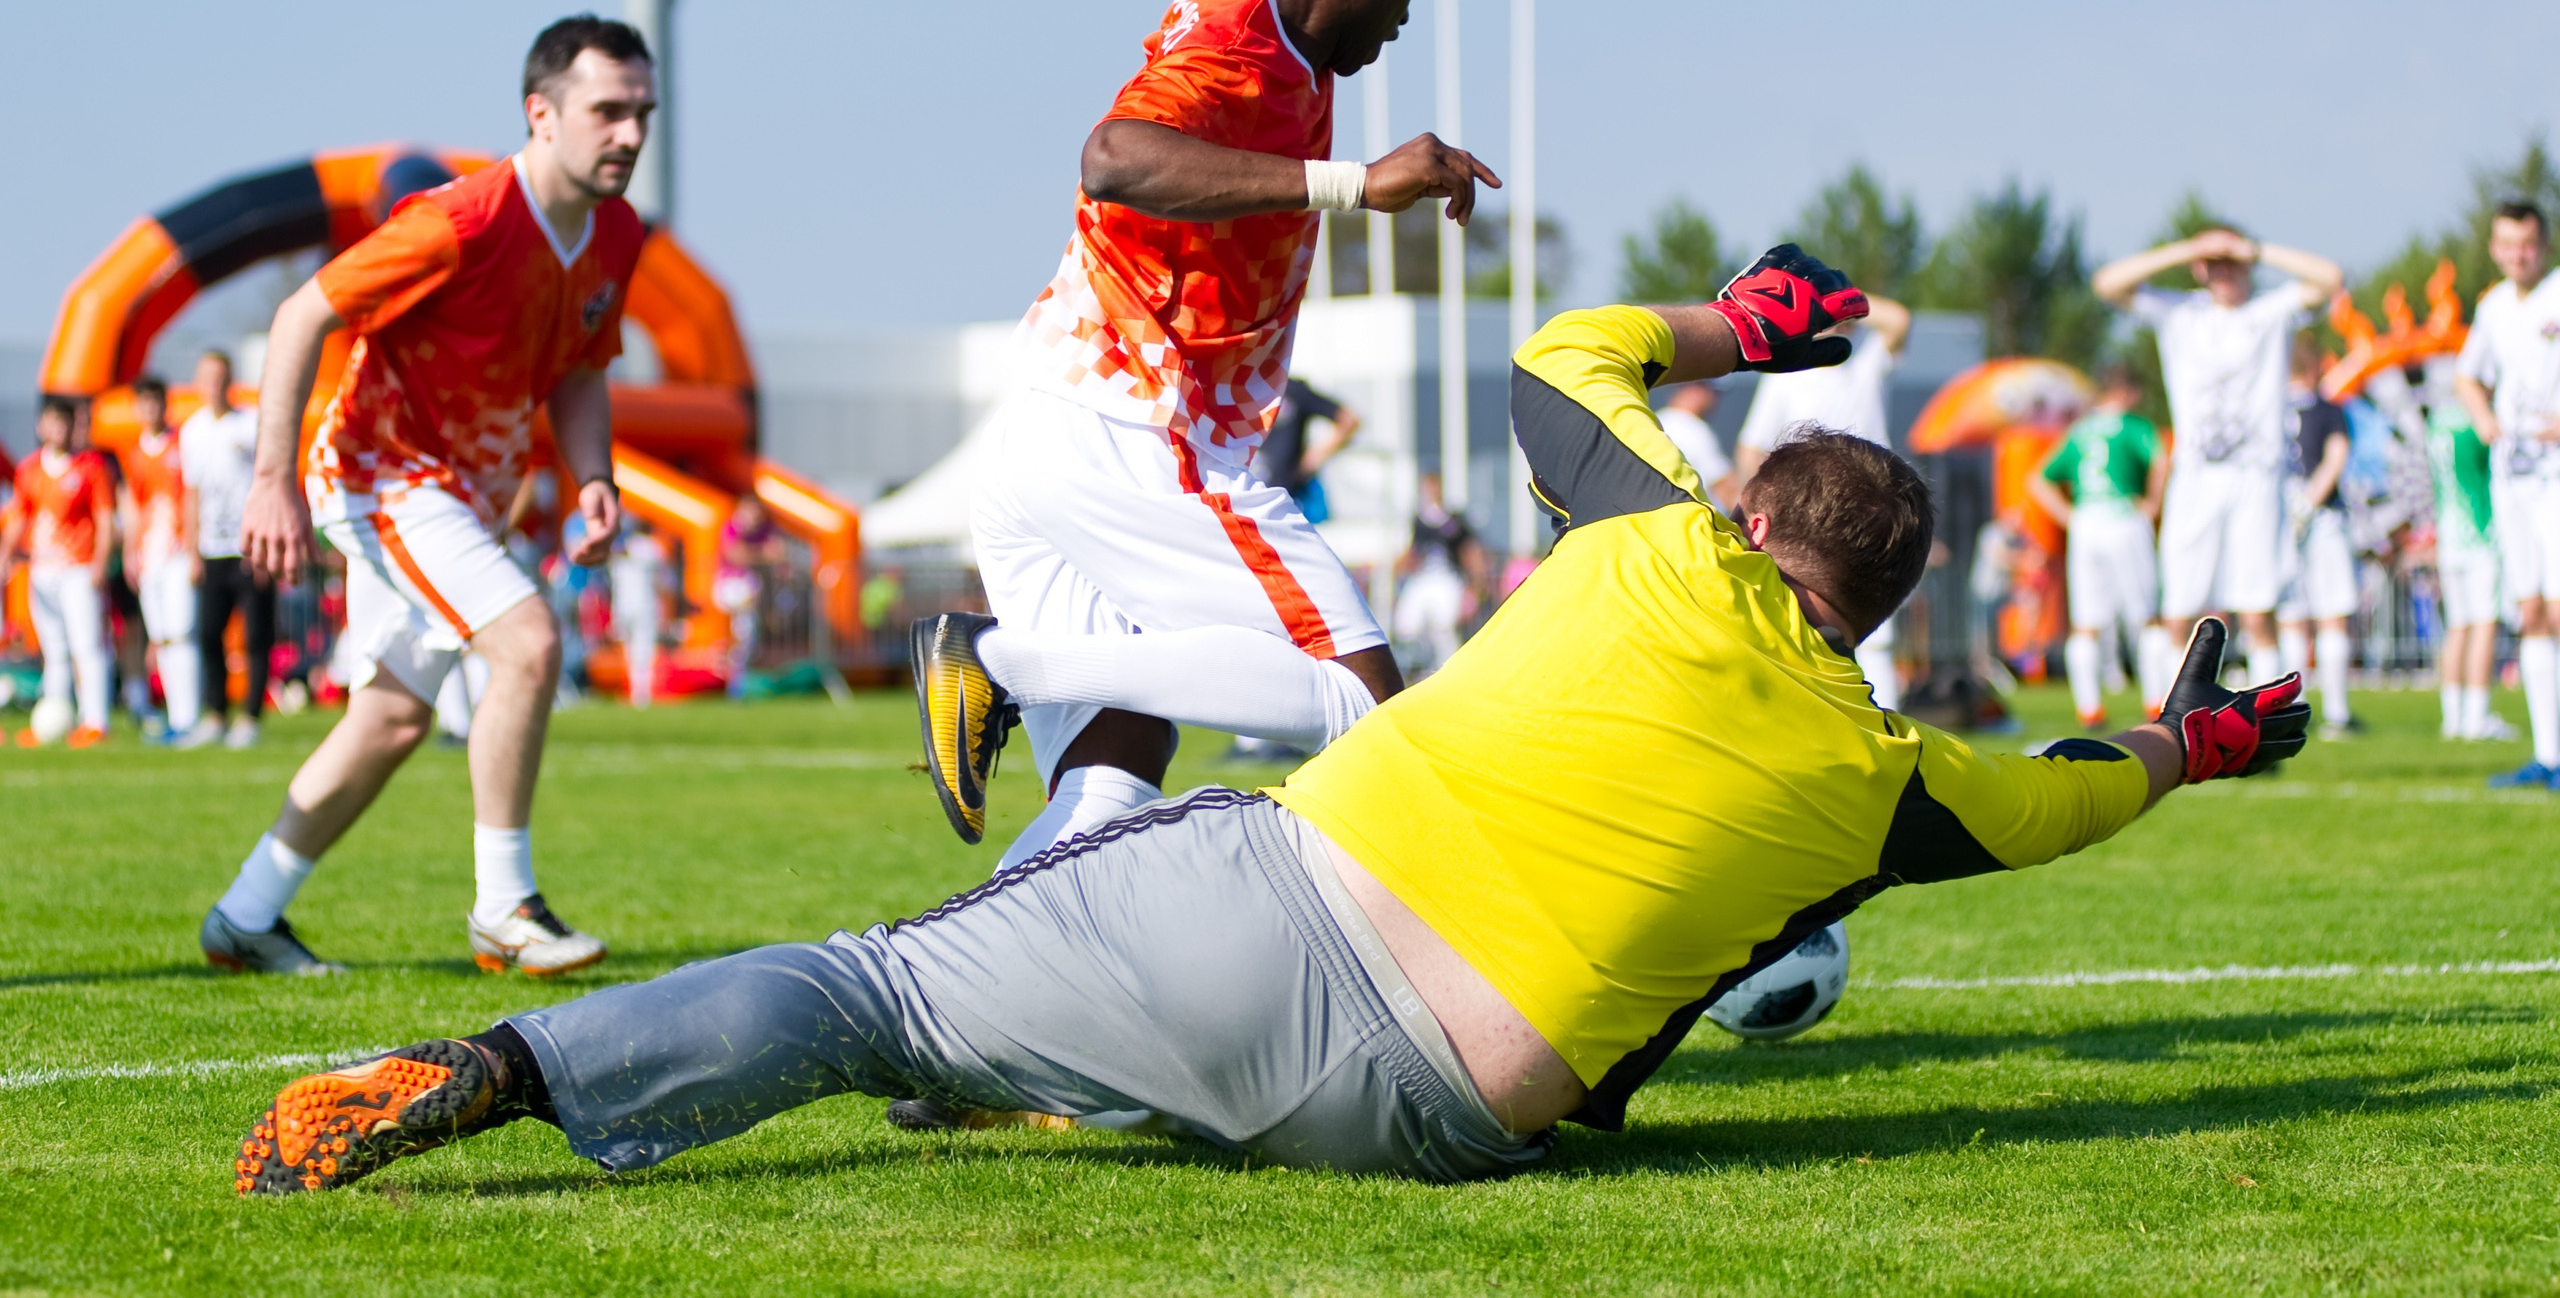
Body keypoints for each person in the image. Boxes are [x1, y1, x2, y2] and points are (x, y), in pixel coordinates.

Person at [225, 247, 2311, 1198]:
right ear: (1876, 611)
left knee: (869, 986)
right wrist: (2187, 746)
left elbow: (1572, 351)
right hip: (1442, 1125)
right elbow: (2059, 804)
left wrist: (1739, 325)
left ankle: (493, 1069)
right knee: (1778, 935)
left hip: (1277, 904)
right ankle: (1074, 1048)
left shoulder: (1654, 537)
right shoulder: (1884, 766)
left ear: (1753, 515)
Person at [910, 0, 1497, 868]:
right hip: (1146, 439)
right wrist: (1349, 187)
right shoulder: (1234, 56)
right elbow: (1110, 159)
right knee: (1364, 708)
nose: (1403, 14)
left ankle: (961, 1037)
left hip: (1052, 431)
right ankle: (993, 660)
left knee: (1112, 787)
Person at [195, 15, 649, 977]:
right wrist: (272, 483)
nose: (631, 134)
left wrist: (595, 478)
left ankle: (246, 914)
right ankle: (504, 908)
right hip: (379, 475)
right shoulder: (459, 221)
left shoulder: (617, 233)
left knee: (393, 721)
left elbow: (579, 370)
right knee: (528, 645)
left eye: (643, 112)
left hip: (462, 496)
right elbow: (299, 314)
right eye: (608, 111)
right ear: (541, 113)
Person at [2093, 227, 2343, 683]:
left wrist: (2259, 248)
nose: (2225, 271)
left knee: (2257, 611)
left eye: (2234, 263)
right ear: (2201, 269)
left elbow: (2329, 278)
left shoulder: (2270, 310)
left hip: (2257, 477)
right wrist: (2190, 248)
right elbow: (2108, 283)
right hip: (2196, 477)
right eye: (2216, 263)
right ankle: (2175, 726)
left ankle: (2265, 726)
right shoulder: (2180, 311)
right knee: (2180, 610)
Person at [1735, 292, 1913, 707]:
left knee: (1875, 637)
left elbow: (1898, 319)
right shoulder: (1785, 374)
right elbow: (1750, 449)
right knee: (1802, 625)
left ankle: (1883, 728)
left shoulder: (1866, 363)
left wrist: (1839, 297)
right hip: (1808, 516)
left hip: (1870, 509)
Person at [2455, 201, 2560, 786]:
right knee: (2532, 613)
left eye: (2528, 243)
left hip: (2557, 475)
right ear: (2495, 247)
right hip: (2514, 475)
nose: (2518, 254)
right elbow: (2467, 375)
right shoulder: (2493, 306)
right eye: (2507, 243)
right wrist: (2483, 418)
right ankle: (2548, 756)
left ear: (2543, 247)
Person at [2030, 364, 2170, 727]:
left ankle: (2089, 708)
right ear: (2126, 392)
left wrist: (2070, 517)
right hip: (2124, 518)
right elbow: (2161, 458)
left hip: (2087, 524)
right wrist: (2153, 502)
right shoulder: (2133, 425)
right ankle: (2156, 701)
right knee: (2148, 617)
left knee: (2086, 624)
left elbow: (2039, 480)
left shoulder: (2079, 431)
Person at [1, 397, 117, 746]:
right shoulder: (30, 469)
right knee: (54, 648)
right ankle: (55, 716)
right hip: (43, 570)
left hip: (78, 568)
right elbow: (21, 515)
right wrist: (6, 554)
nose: (59, 429)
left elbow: (105, 518)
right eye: (52, 422)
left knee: (87, 645)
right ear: (41, 426)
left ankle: (96, 720)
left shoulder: (91, 467)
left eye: (65, 422)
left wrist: (100, 561)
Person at [181, 349, 273, 749]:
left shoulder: (251, 425)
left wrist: (266, 540)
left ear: (230, 381)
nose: (213, 385)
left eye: (220, 377)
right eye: (206, 377)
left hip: (250, 547)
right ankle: (215, 714)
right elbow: (191, 493)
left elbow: (270, 485)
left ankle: (250, 717)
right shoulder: (192, 430)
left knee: (256, 635)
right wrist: (191, 550)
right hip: (212, 550)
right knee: (207, 634)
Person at [2276, 337, 2358, 737]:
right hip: (2323, 518)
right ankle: (2338, 715)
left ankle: (2293, 711)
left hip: (2279, 519)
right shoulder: (2329, 410)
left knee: (2292, 619)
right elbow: (2336, 456)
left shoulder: (2270, 410)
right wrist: (2310, 503)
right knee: (2331, 618)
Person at [119, 376, 206, 746]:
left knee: (182, 633)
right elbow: (133, 509)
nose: (150, 409)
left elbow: (192, 497)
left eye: (156, 401)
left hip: (177, 554)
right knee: (162, 638)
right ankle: (175, 716)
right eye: (144, 402)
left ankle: (189, 718)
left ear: (165, 404)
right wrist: (130, 553)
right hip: (150, 557)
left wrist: (193, 549)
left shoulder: (181, 444)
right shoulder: (134, 453)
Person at [2423, 358, 2503, 741]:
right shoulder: (2477, 423)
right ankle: (2477, 715)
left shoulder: (2438, 421)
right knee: (2484, 624)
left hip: (2448, 534)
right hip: (2479, 534)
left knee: (2457, 627)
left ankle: (2451, 716)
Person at [1391, 470, 1478, 675]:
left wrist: (1473, 587)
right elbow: (1410, 552)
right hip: (1422, 578)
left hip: (1447, 578)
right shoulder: (1418, 520)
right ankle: (1417, 666)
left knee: (1443, 624)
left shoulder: (1455, 520)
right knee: (1406, 625)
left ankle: (1450, 671)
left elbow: (1469, 551)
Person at [1258, 377, 1363, 524]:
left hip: (1292, 497)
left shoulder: (1291, 389)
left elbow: (1348, 420)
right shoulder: (1232, 387)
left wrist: (1312, 459)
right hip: (1248, 498)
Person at [715, 493, 784, 699]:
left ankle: (739, 685)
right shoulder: (732, 528)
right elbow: (736, 554)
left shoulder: (765, 530)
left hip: (754, 591)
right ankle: (732, 683)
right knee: (741, 633)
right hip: (732, 587)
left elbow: (779, 553)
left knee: (747, 638)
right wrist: (762, 554)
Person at [1654, 381, 1739, 509]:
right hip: (1692, 522)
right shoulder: (1693, 428)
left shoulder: (1655, 421)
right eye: (1714, 392)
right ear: (1695, 389)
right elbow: (1726, 489)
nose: (1716, 401)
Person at [609, 523, 666, 710]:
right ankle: (639, 694)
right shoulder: (650, 547)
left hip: (636, 605)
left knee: (640, 652)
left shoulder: (647, 547)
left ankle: (641, 694)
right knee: (638, 651)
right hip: (634, 606)